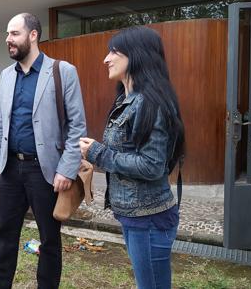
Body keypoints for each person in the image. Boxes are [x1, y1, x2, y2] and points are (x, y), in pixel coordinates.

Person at [79, 26, 185, 289]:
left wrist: (98, 153)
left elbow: (152, 166)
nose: (106, 58)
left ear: (137, 56)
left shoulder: (152, 103)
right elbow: (128, 153)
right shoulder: (127, 100)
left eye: (114, 51)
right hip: (134, 215)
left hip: (148, 218)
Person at [0, 13, 87, 289]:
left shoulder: (62, 71)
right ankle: (0, 282)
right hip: (10, 169)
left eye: (14, 33)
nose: (8, 40)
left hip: (45, 171)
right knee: (6, 231)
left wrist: (66, 169)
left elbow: (77, 126)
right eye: (7, 34)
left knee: (49, 237)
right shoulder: (6, 76)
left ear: (33, 35)